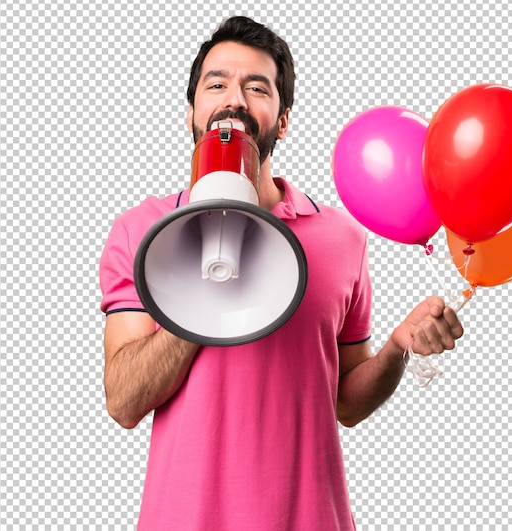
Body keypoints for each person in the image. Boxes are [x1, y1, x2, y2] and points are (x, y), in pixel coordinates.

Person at [99, 16, 463, 530]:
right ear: (192, 113)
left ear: (283, 120)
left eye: (256, 87)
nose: (236, 100)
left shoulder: (341, 238)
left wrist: (397, 347)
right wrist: (205, 297)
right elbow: (124, 401)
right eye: (217, 83)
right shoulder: (141, 231)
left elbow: (348, 405)